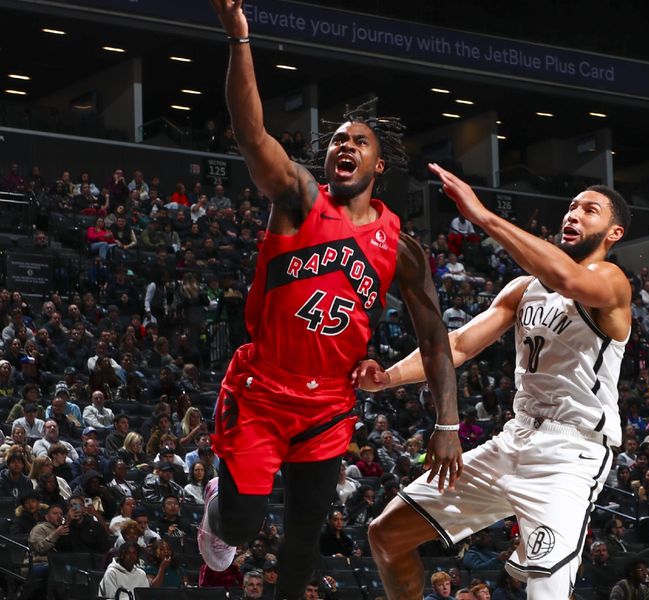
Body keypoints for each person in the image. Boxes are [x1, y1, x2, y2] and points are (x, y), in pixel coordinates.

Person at [201, 5, 461, 600]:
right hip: (265, 389)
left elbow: (435, 341)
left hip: (328, 405)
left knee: (303, 539)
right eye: (338, 140)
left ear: (379, 162)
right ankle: (216, 512)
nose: (345, 146)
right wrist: (241, 39)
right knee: (241, 527)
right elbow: (250, 133)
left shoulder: (402, 246)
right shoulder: (298, 198)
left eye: (358, 141)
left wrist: (447, 422)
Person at [360, 165, 631, 599]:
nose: (574, 214)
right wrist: (388, 378)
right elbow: (461, 344)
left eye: (590, 210)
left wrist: (481, 215)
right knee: (386, 535)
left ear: (613, 233)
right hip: (513, 440)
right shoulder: (525, 288)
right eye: (572, 207)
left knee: (546, 592)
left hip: (568, 457)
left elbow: (566, 277)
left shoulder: (612, 282)